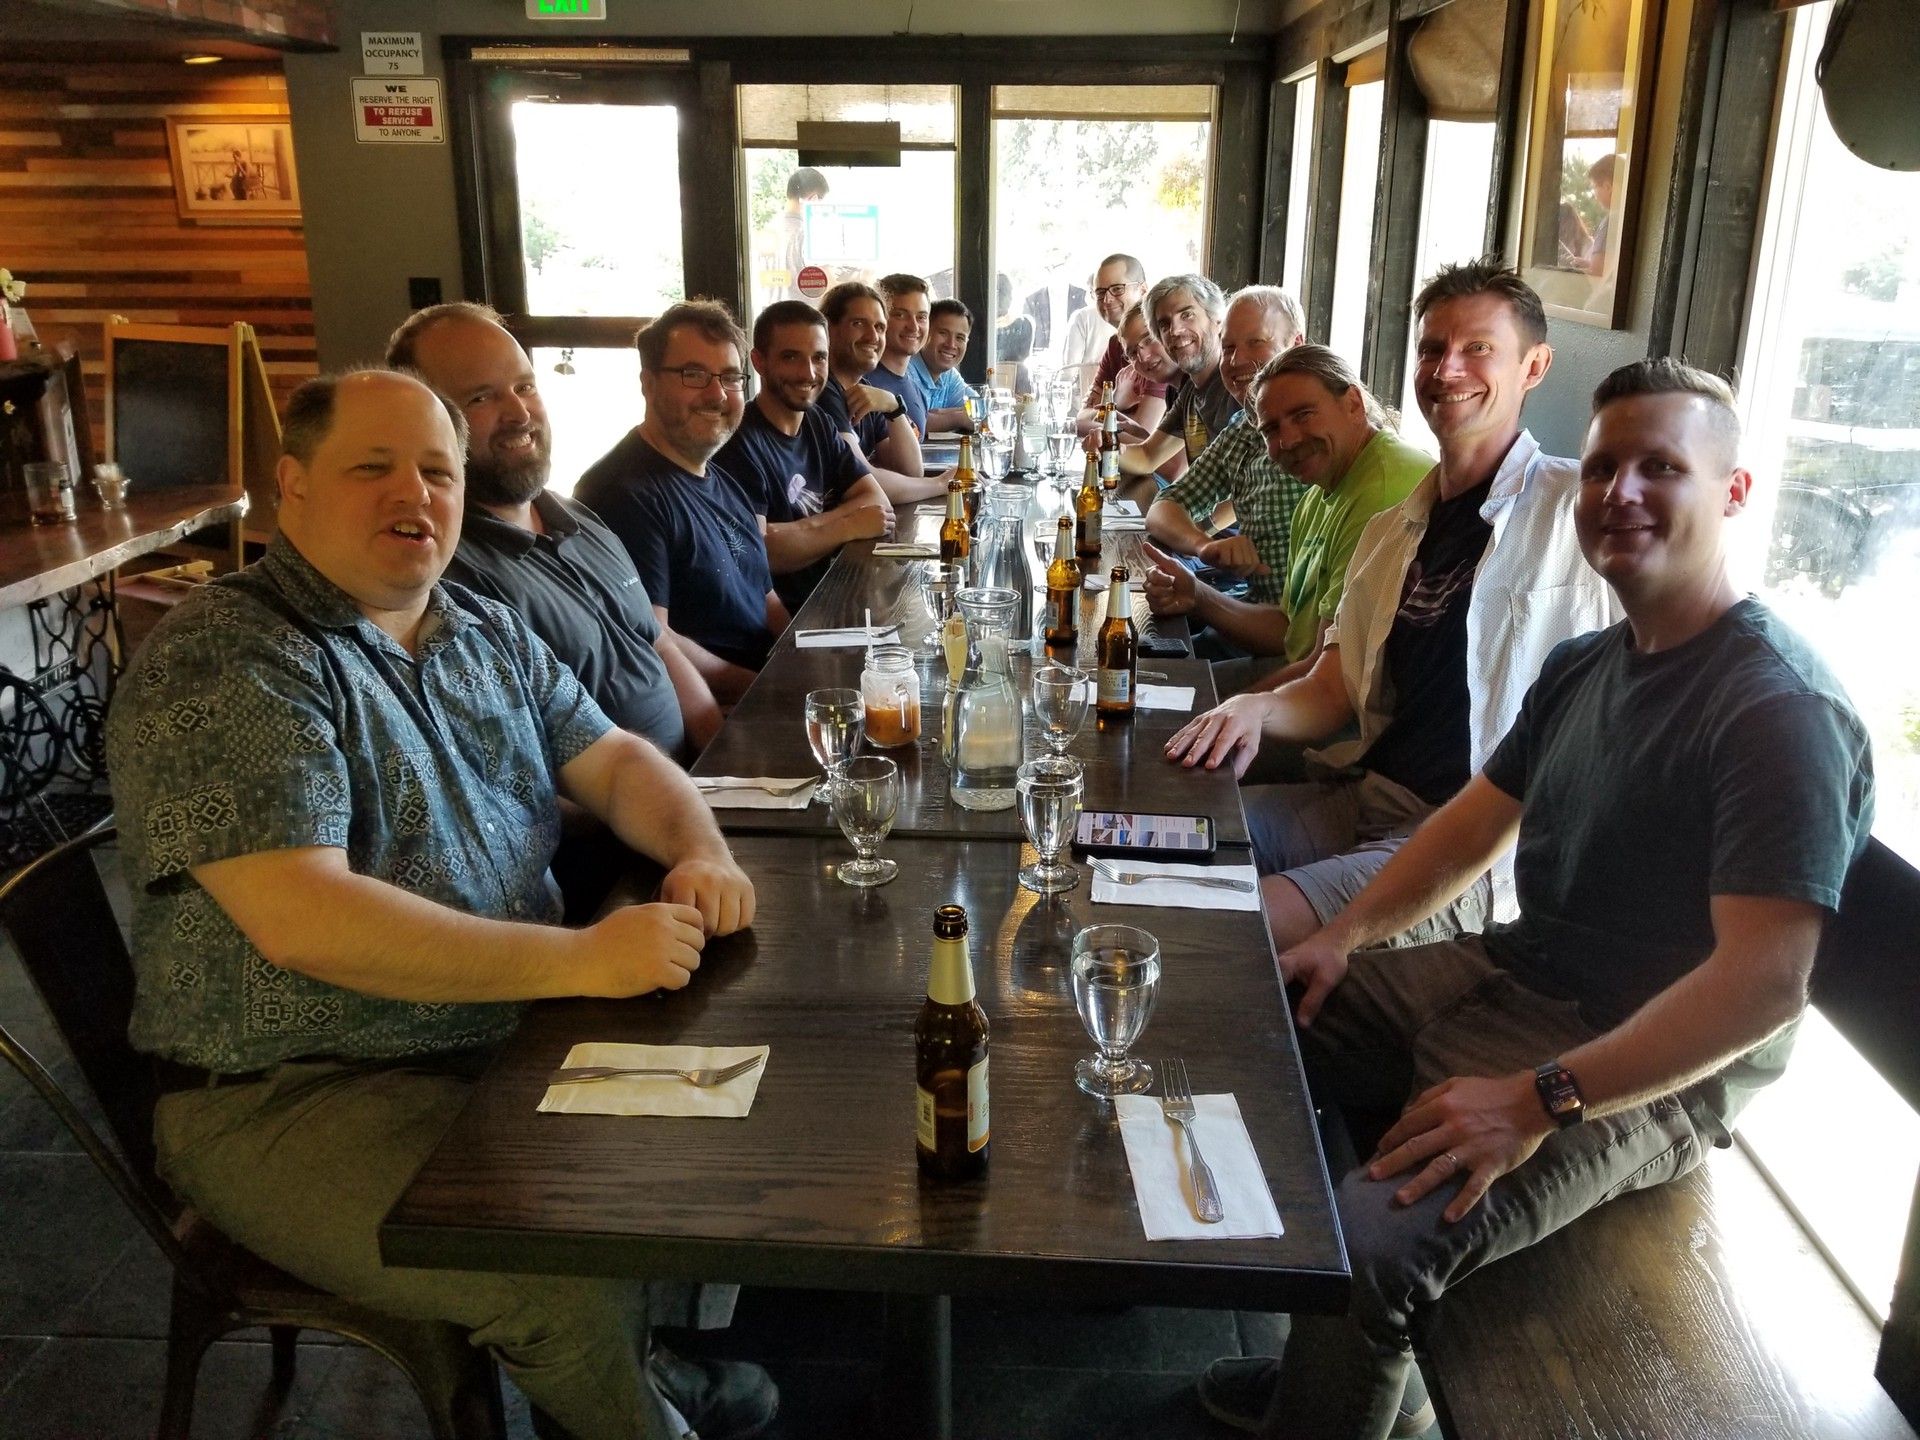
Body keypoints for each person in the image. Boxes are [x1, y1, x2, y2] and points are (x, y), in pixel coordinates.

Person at [1192, 356, 1874, 1440]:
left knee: (1371, 1248)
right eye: (1604, 467)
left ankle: (1346, 1387)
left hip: (1641, 1071)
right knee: (1243, 1011)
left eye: (1663, 468)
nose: (1622, 494)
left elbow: (1760, 987)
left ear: (1735, 492)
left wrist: (1539, 1100)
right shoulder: (1590, 662)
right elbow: (1472, 822)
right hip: (1517, 968)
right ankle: (1347, 1375)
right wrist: (1346, 936)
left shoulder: (1776, 710)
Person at [104, 367, 779, 1440]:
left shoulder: (470, 624)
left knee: (720, 1128)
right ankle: (632, 1401)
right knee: (548, 1267)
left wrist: (701, 850)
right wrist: (577, 962)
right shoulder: (231, 657)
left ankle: (634, 1371)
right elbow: (305, 917)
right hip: (291, 1090)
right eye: (371, 468)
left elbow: (611, 758)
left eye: (436, 469)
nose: (411, 494)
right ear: (294, 486)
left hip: (487, 1031)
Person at [1165, 260, 1619, 948]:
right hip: (1366, 798)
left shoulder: (1577, 510)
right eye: (1433, 349)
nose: (1447, 370)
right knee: (1168, 835)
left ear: (1534, 366)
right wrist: (1251, 707)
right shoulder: (1394, 530)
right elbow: (1333, 685)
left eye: (1479, 349)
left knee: (1232, 924)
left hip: (1469, 851)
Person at [387, 302, 722, 762]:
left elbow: (655, 642)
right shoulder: (445, 575)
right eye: (481, 398)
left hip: (701, 785)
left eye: (525, 386)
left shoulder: (580, 519)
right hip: (622, 823)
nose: (520, 414)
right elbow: (509, 779)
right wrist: (678, 805)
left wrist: (728, 758)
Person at [1144, 345, 1430, 688]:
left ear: (1353, 403)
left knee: (1167, 702)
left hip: (1358, 712)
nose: (1289, 440)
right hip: (1307, 680)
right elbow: (1289, 631)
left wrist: (1222, 712)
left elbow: (1329, 676)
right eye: (1271, 430)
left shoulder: (1383, 491)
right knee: (1155, 685)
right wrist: (1197, 596)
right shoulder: (1314, 496)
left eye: (1304, 414)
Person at [577, 301, 789, 690]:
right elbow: (654, 640)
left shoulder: (722, 479)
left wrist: (802, 661)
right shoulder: (620, 494)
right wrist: (765, 688)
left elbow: (766, 597)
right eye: (694, 375)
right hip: (719, 710)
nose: (717, 394)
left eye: (729, 377)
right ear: (648, 383)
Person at [718, 299, 893, 610]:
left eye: (819, 357)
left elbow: (876, 502)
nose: (808, 372)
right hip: (784, 619)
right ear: (758, 361)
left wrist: (800, 535)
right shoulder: (738, 441)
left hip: (835, 596)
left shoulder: (817, 422)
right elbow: (762, 550)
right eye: (790, 357)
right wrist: (849, 524)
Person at [1140, 285, 1308, 600]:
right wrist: (1206, 546)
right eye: (1228, 347)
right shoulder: (1243, 427)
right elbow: (1163, 507)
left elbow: (1302, 629)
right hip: (1249, 607)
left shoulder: (1321, 437)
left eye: (1256, 342)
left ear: (1296, 344)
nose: (1236, 360)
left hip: (1291, 637)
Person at [816, 280, 942, 503]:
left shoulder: (866, 390)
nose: (873, 337)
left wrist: (893, 407)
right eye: (858, 324)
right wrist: (941, 484)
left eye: (879, 327)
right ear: (828, 330)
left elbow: (911, 470)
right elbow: (862, 478)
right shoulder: (824, 392)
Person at [1108, 273, 1237, 486]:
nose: (1175, 330)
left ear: (1217, 320)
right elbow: (1147, 457)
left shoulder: (1236, 386)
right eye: (1165, 325)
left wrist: (1202, 521)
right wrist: (1103, 446)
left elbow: (1248, 487)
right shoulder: (1189, 393)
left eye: (1187, 315)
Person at [1073, 253, 1151, 414]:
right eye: (1100, 293)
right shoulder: (1115, 344)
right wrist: (1116, 404)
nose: (1107, 300)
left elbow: (1145, 432)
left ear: (1142, 290)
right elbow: (1082, 417)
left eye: (1117, 289)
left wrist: (1112, 404)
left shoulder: (1156, 346)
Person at [865, 273, 933, 439]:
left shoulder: (915, 388)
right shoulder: (864, 383)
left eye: (921, 317)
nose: (914, 326)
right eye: (900, 315)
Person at [913, 297, 975, 434]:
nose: (951, 344)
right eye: (943, 333)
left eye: (960, 338)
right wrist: (959, 417)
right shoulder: (905, 369)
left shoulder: (949, 375)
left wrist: (940, 415)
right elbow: (912, 425)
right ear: (925, 332)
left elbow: (983, 410)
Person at [777, 166, 828, 301]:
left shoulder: (769, 230)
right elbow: (828, 286)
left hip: (770, 316)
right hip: (803, 317)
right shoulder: (807, 235)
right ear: (814, 199)